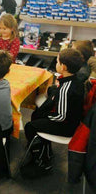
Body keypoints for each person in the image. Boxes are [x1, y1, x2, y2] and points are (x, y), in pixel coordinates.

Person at [22, 49, 84, 178]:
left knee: (31, 125)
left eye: (57, 61)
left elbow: (61, 116)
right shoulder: (74, 80)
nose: (55, 63)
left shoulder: (66, 90)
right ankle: (43, 148)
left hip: (66, 126)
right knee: (38, 114)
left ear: (63, 67)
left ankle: (42, 160)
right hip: (72, 121)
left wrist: (44, 116)